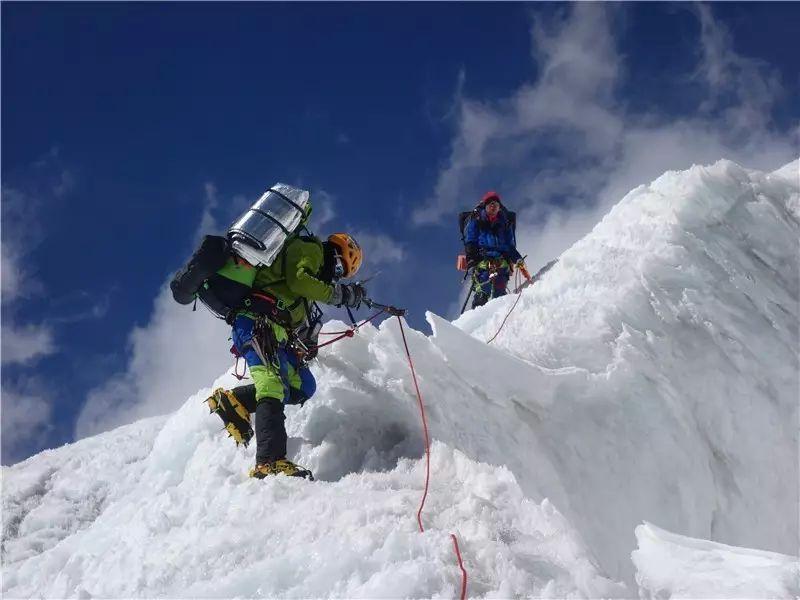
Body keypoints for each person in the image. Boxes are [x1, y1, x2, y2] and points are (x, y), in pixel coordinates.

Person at [205, 232, 366, 479]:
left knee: (303, 385)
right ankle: (269, 462)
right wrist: (341, 295)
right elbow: (298, 280)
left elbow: (296, 304)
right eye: (337, 266)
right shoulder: (310, 249)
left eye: (338, 273)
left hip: (277, 334)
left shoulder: (308, 292)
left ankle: (233, 400)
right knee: (271, 385)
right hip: (256, 322)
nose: (333, 274)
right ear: (333, 251)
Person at [464, 191, 522, 309]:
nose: (493, 205)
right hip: (483, 261)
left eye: (495, 203)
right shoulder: (477, 221)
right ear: (485, 206)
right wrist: (471, 259)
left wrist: (518, 259)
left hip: (501, 262)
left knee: (500, 294)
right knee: (482, 293)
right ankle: (478, 320)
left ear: (499, 207)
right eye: (490, 203)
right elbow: (471, 240)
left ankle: (500, 317)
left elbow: (510, 246)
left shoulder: (505, 224)